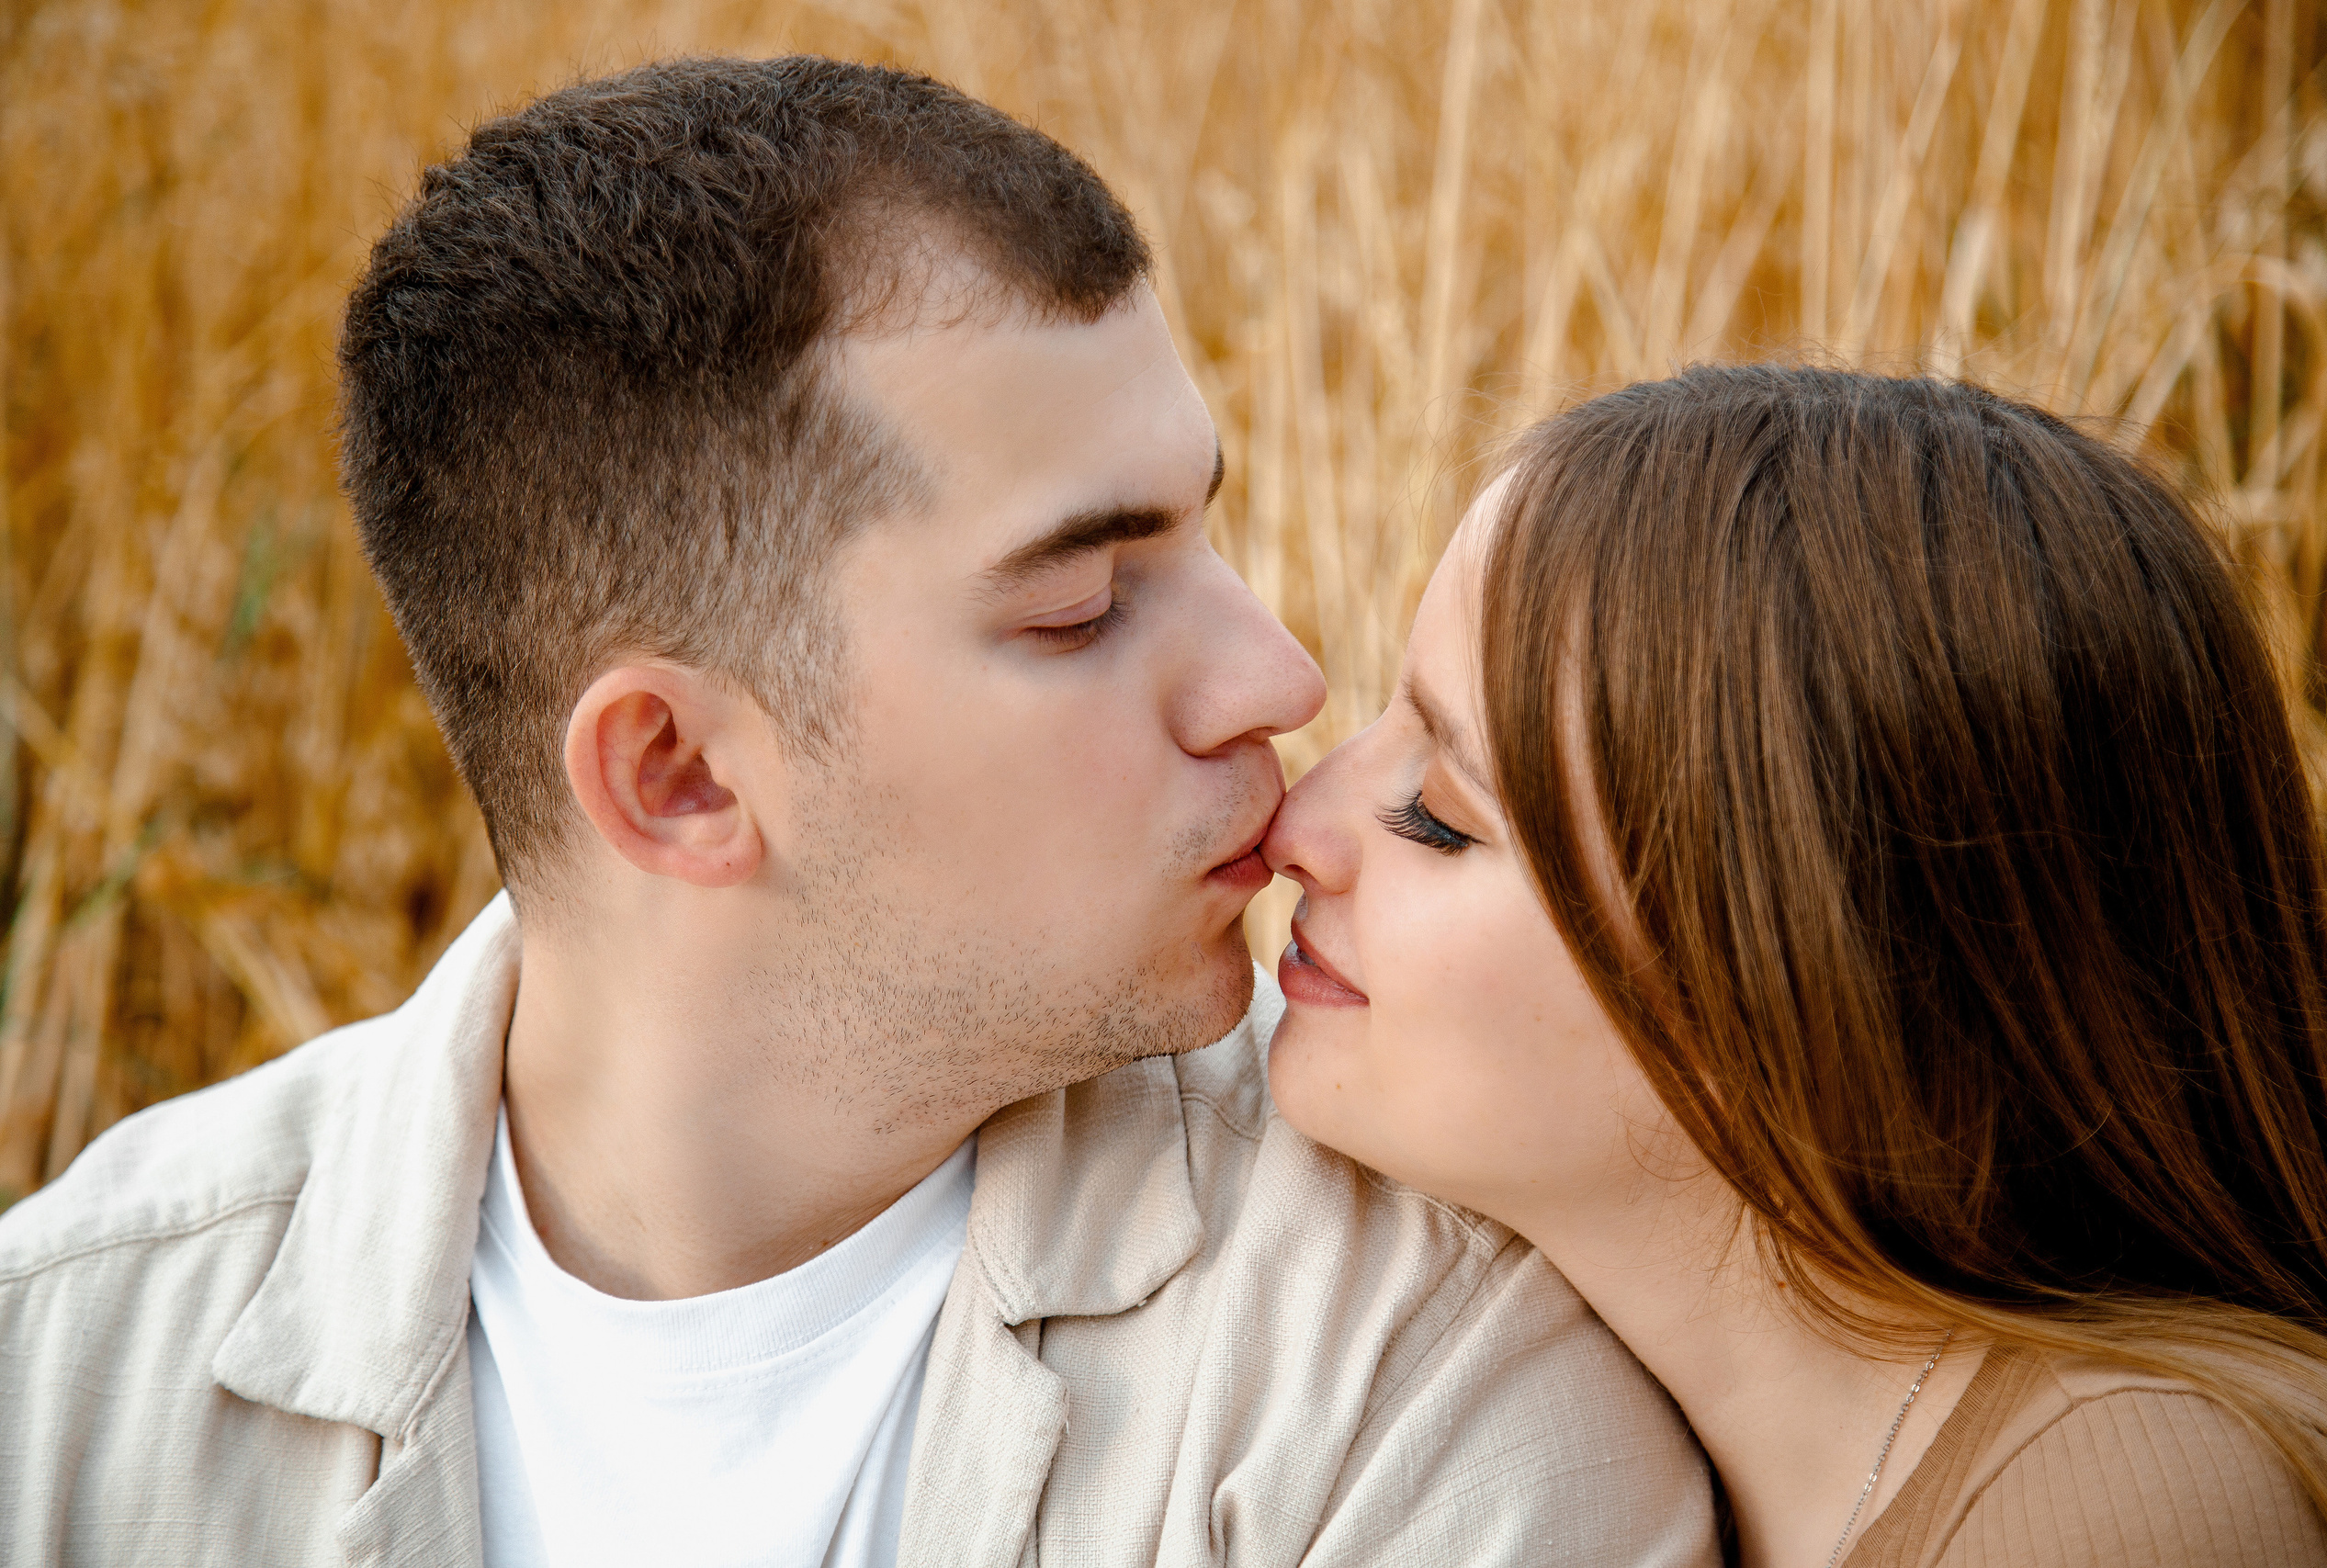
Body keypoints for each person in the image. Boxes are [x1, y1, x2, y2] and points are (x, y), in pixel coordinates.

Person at [0, 55, 1718, 1568]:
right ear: (677, 777)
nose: (1277, 677)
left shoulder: (1412, 1363)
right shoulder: (63, 1378)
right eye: (1080, 609)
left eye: (1202, 529)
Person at [1264, 365, 2327, 1568]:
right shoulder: (1603, 1466)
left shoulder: (2140, 1506)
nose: (1294, 825)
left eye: (1438, 813)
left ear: (1792, 977)